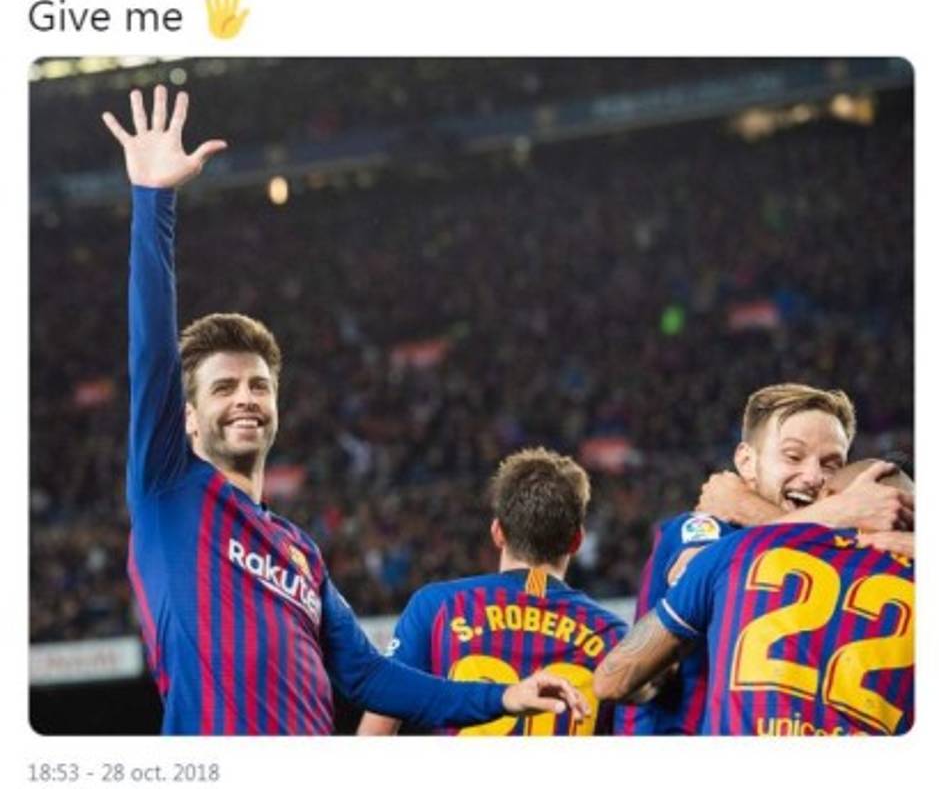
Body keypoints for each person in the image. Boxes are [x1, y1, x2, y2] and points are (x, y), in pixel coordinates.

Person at [103, 86, 588, 735]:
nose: (245, 398)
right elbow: (151, 350)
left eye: (257, 385)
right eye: (222, 388)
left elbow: (367, 676)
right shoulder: (167, 489)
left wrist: (500, 697)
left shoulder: (298, 551)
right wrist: (153, 202)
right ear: (186, 417)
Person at [618, 383, 912, 735]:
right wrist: (839, 512)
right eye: (793, 456)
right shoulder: (705, 527)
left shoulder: (837, 560)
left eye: (832, 464)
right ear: (746, 461)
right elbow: (697, 570)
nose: (815, 476)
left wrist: (754, 509)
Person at [357, 447, 628, 736]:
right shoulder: (614, 635)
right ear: (577, 541)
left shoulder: (438, 607)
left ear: (497, 532)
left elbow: (376, 731)